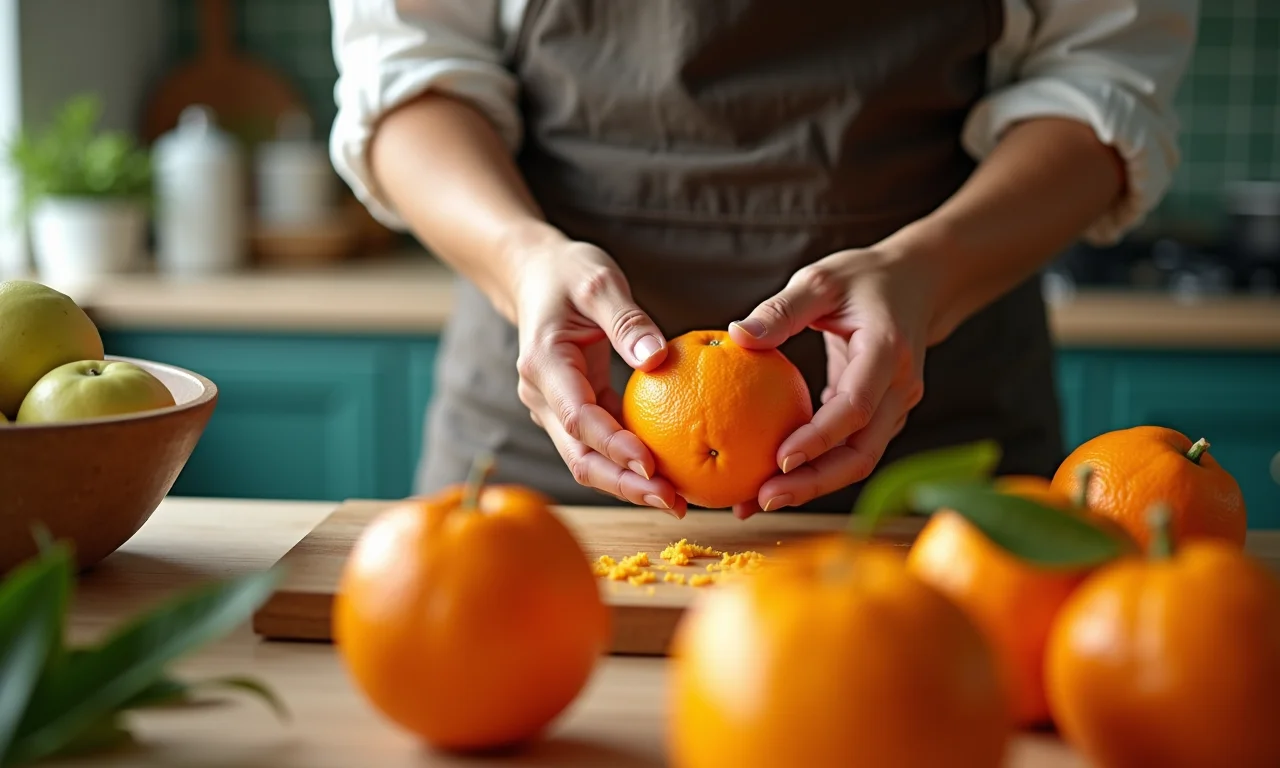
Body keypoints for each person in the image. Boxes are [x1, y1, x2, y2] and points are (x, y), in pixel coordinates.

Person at [328, 0, 1197, 519]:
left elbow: (1104, 86)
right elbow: (408, 71)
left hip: (937, 438)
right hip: (543, 437)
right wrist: (521, 258)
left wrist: (928, 271)